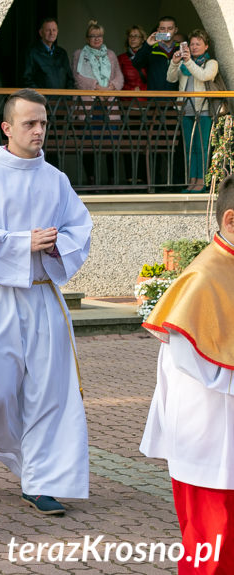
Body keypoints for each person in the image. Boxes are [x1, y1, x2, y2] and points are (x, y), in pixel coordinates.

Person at [0, 88, 92, 517]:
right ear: (7, 128)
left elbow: (79, 229)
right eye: (30, 123)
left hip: (42, 295)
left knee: (49, 391)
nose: (39, 131)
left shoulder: (56, 180)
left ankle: (40, 481)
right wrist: (21, 243)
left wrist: (53, 250)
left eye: (44, 123)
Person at [140, 175, 234, 574]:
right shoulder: (202, 279)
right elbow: (195, 361)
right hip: (209, 438)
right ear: (231, 221)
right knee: (213, 544)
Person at [72, 20, 123, 186]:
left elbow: (119, 77)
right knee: (89, 144)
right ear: (87, 38)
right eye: (93, 36)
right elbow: (78, 77)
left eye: (99, 36)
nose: (96, 39)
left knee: (111, 144)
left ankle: (112, 179)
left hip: (108, 106)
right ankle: (91, 179)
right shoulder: (80, 54)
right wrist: (97, 87)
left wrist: (111, 87)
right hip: (89, 105)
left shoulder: (111, 54)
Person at [167, 29, 218, 192]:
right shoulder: (184, 62)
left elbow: (203, 76)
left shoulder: (211, 63)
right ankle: (192, 180)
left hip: (203, 111)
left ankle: (202, 181)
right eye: (192, 44)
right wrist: (175, 62)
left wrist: (188, 61)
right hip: (185, 111)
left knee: (201, 147)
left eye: (198, 44)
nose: (194, 47)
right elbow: (171, 78)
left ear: (206, 46)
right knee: (189, 147)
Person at [22, 18, 74, 89]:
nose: (51, 33)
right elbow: (27, 80)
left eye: (54, 30)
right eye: (48, 30)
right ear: (41, 32)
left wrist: (67, 98)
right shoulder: (32, 52)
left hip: (62, 99)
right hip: (41, 99)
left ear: (57, 32)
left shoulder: (62, 53)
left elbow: (70, 79)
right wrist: (40, 97)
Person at [132, 16, 180, 91]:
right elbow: (136, 63)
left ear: (176, 30)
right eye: (162, 28)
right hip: (154, 98)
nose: (166, 31)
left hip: (176, 98)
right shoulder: (151, 48)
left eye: (170, 28)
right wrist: (147, 45)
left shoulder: (181, 49)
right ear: (158, 30)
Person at [119, 25, 148, 92]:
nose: (133, 39)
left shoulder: (149, 57)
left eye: (136, 36)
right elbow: (117, 81)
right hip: (126, 99)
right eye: (130, 36)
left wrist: (142, 89)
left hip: (145, 98)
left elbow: (155, 80)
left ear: (143, 40)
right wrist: (131, 90)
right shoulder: (121, 58)